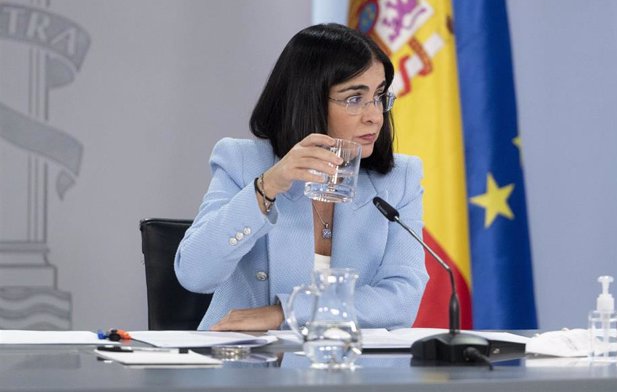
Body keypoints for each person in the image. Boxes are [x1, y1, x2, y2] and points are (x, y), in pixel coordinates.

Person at [174, 23, 428, 331]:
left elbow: (401, 298)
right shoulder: (242, 161)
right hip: (244, 366)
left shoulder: (399, 179)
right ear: (308, 99)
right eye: (354, 99)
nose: (374, 115)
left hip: (348, 367)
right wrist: (266, 187)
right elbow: (194, 274)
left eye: (379, 95)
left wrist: (286, 312)